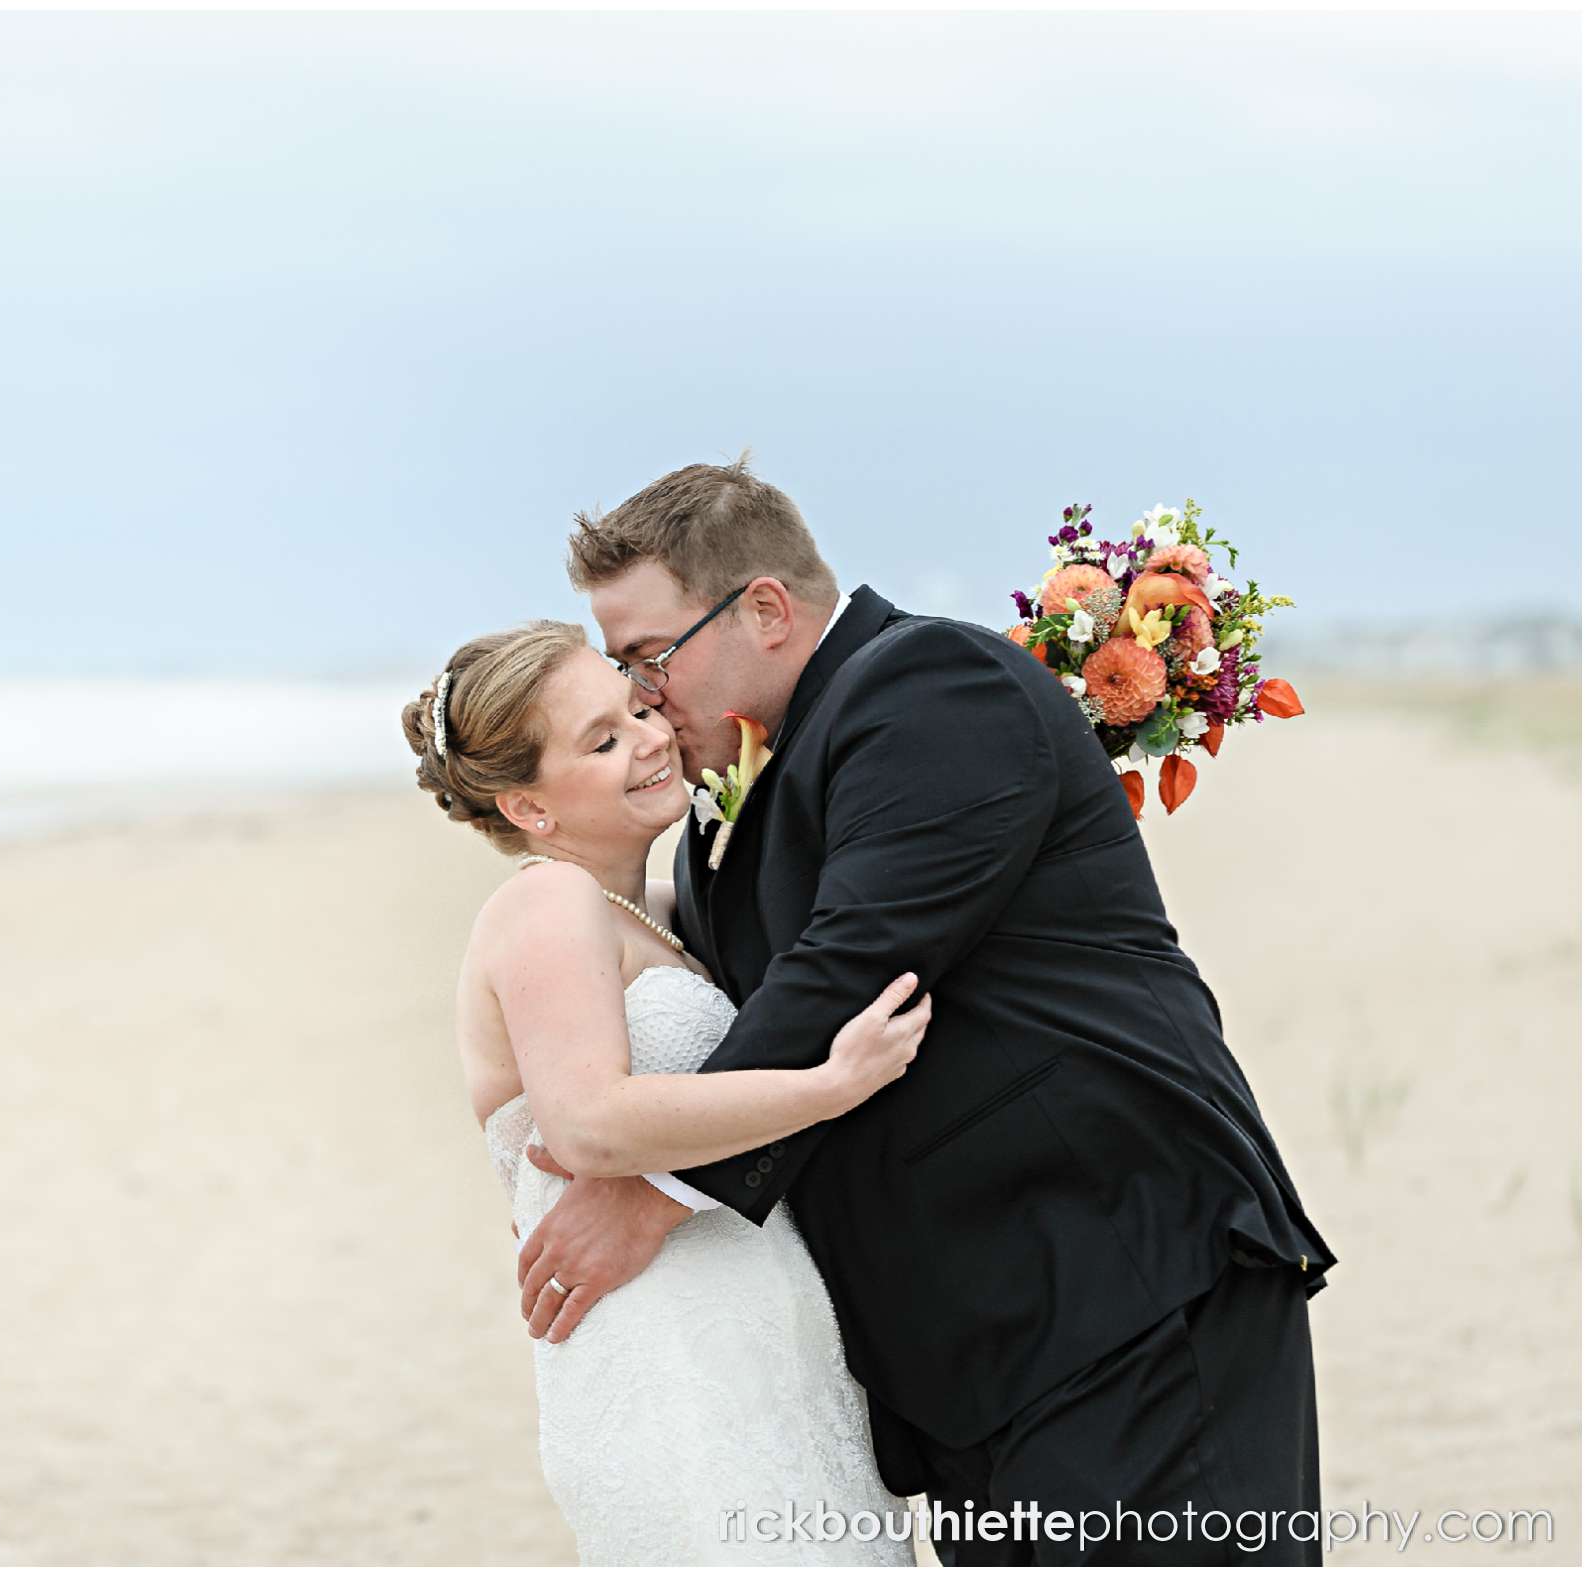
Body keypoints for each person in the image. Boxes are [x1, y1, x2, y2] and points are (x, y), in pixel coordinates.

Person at [515, 456, 1338, 1565]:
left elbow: (853, 961)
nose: (642, 694)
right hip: (967, 1351)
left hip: (1118, 1279)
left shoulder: (930, 683)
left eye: (646, 657)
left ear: (763, 607)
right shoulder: (731, 805)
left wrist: (655, 1191)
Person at [405, 618, 921, 1565]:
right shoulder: (544, 904)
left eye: (636, 707)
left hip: (767, 1349)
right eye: (601, 741)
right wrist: (826, 1085)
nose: (647, 738)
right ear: (528, 807)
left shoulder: (664, 909)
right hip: (670, 1363)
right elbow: (590, 1123)